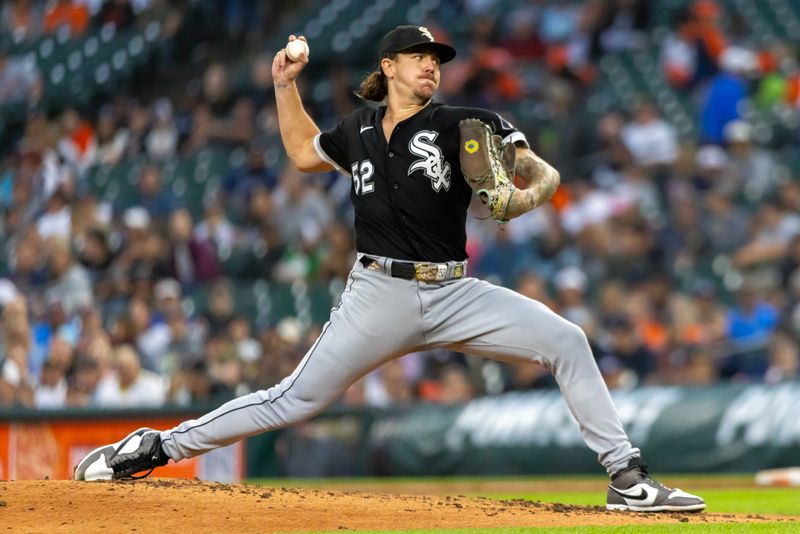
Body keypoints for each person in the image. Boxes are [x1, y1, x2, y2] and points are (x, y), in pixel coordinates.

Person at [73, 26, 705, 513]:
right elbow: (299, 152)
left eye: (439, 59)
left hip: (455, 290)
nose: (433, 64)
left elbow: (527, 168)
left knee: (566, 339)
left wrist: (533, 187)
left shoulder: (465, 123)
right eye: (420, 56)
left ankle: (628, 479)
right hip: (378, 292)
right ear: (389, 67)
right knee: (292, 401)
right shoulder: (357, 132)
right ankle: (156, 447)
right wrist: (284, 84)